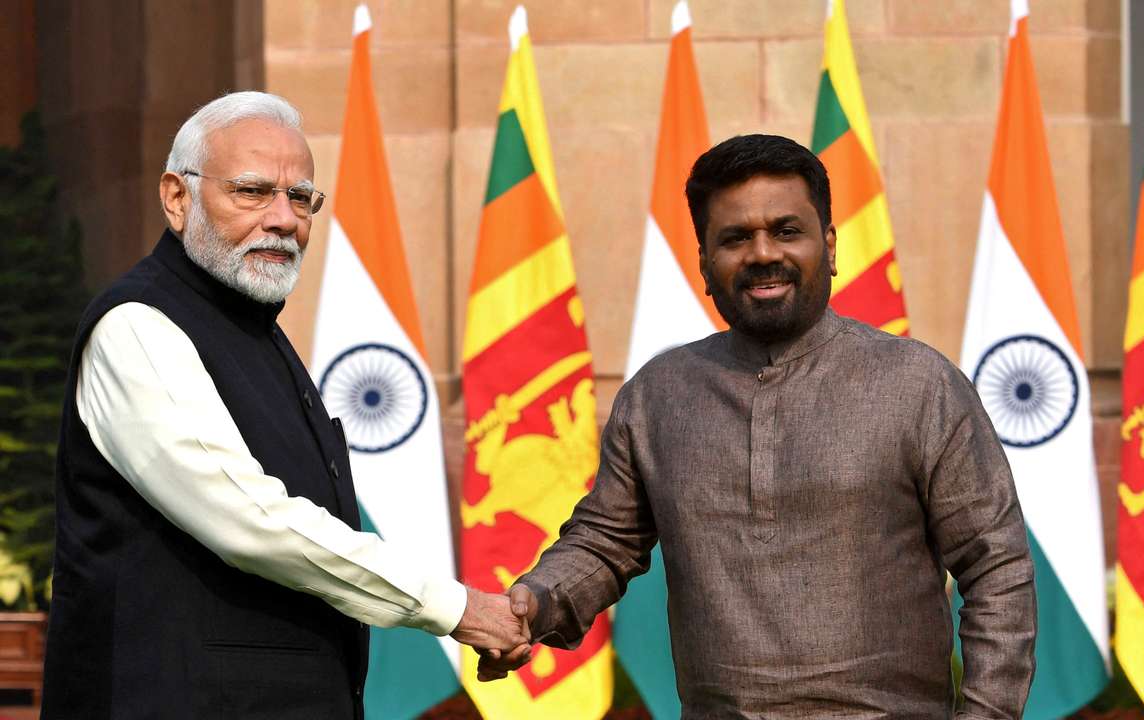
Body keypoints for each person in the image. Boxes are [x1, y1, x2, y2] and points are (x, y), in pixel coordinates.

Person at [480, 134, 1037, 718]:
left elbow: (996, 567)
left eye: (787, 231)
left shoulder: (919, 385)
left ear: (829, 245)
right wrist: (533, 605)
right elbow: (605, 541)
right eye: (735, 238)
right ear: (703, 264)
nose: (763, 253)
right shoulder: (658, 395)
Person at [43, 91, 526, 718]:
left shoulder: (255, 330)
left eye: (301, 198)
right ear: (176, 197)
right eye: (251, 191)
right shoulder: (138, 325)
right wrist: (455, 608)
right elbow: (251, 521)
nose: (282, 219)